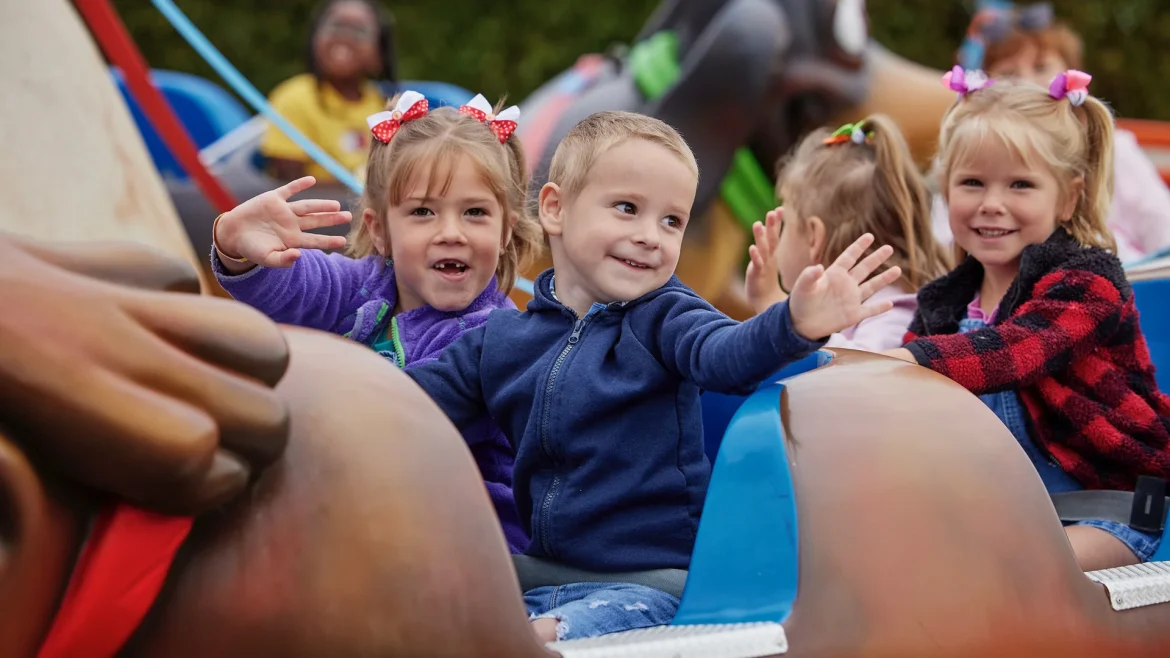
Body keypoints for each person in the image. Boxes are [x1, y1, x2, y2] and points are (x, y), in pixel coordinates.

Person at [406, 110, 901, 641]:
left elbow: (725, 355)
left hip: (647, 586)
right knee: (420, 614)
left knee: (527, 640)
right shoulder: (501, 342)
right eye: (627, 208)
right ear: (555, 208)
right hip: (538, 572)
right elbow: (403, 404)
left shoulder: (665, 317)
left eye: (672, 221)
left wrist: (794, 323)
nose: (650, 237)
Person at [211, 90, 542, 553]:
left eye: (475, 213)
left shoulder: (495, 336)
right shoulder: (364, 289)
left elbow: (408, 431)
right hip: (366, 513)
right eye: (423, 212)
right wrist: (236, 245)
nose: (451, 232)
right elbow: (299, 285)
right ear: (381, 230)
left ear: (505, 229)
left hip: (469, 546)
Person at [886, 69, 1170, 571]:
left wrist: (905, 359)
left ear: (1068, 196)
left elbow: (1016, 350)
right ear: (946, 190)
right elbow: (901, 403)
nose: (992, 204)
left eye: (1020, 184)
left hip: (1110, 511)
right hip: (998, 519)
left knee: (1016, 572)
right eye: (972, 182)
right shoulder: (942, 304)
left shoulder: (1088, 281)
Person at [937, 0, 1170, 262]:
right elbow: (945, 239)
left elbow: (1163, 230)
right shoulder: (968, 153)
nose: (1026, 81)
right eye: (1010, 73)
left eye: (1040, 67)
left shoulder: (1117, 150)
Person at [744, 114, 951, 352]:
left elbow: (859, 376)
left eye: (787, 225)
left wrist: (773, 304)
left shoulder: (891, 310)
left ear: (813, 236)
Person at [260, 0, 396, 183]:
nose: (345, 37)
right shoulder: (294, 98)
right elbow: (289, 186)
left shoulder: (385, 105)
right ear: (315, 39)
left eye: (359, 31)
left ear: (379, 54)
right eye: (335, 26)